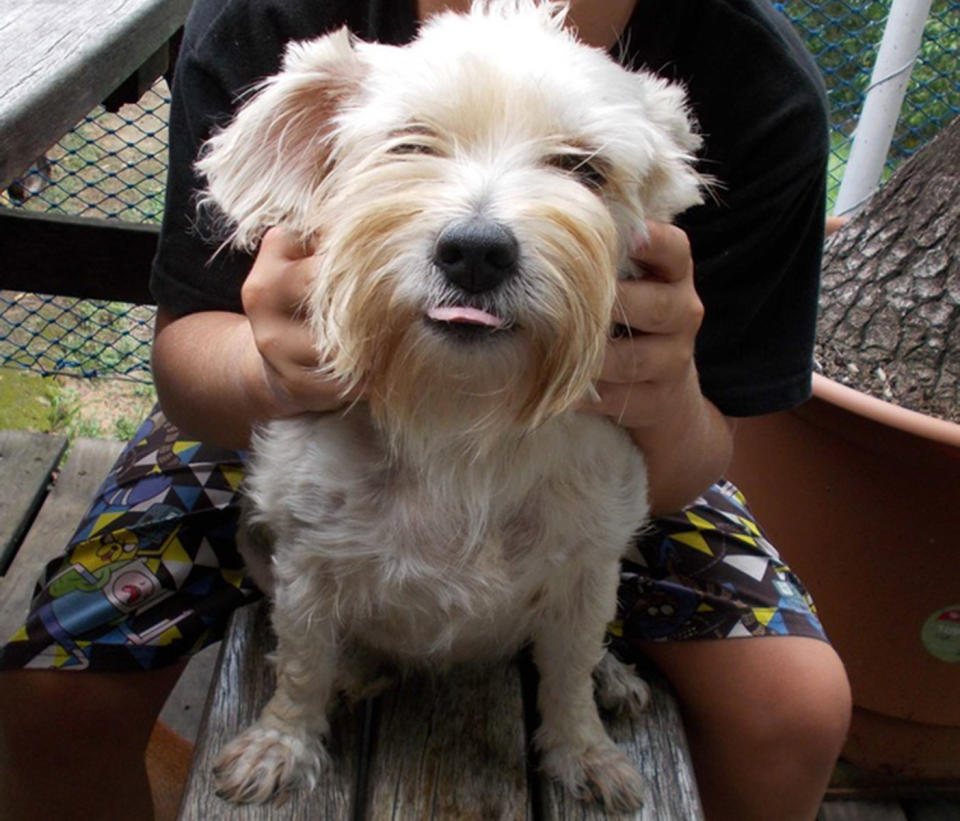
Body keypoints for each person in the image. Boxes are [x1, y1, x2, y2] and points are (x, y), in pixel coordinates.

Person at [0, 1, 852, 819]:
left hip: (613, 426)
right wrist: (283, 372)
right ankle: (300, 705)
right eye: (412, 144)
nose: (482, 225)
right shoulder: (269, 14)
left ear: (664, 195)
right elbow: (184, 367)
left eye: (580, 168)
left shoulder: (758, 81)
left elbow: (700, 462)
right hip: (271, 405)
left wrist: (660, 397)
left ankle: (576, 689)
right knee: (44, 693)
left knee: (799, 707)